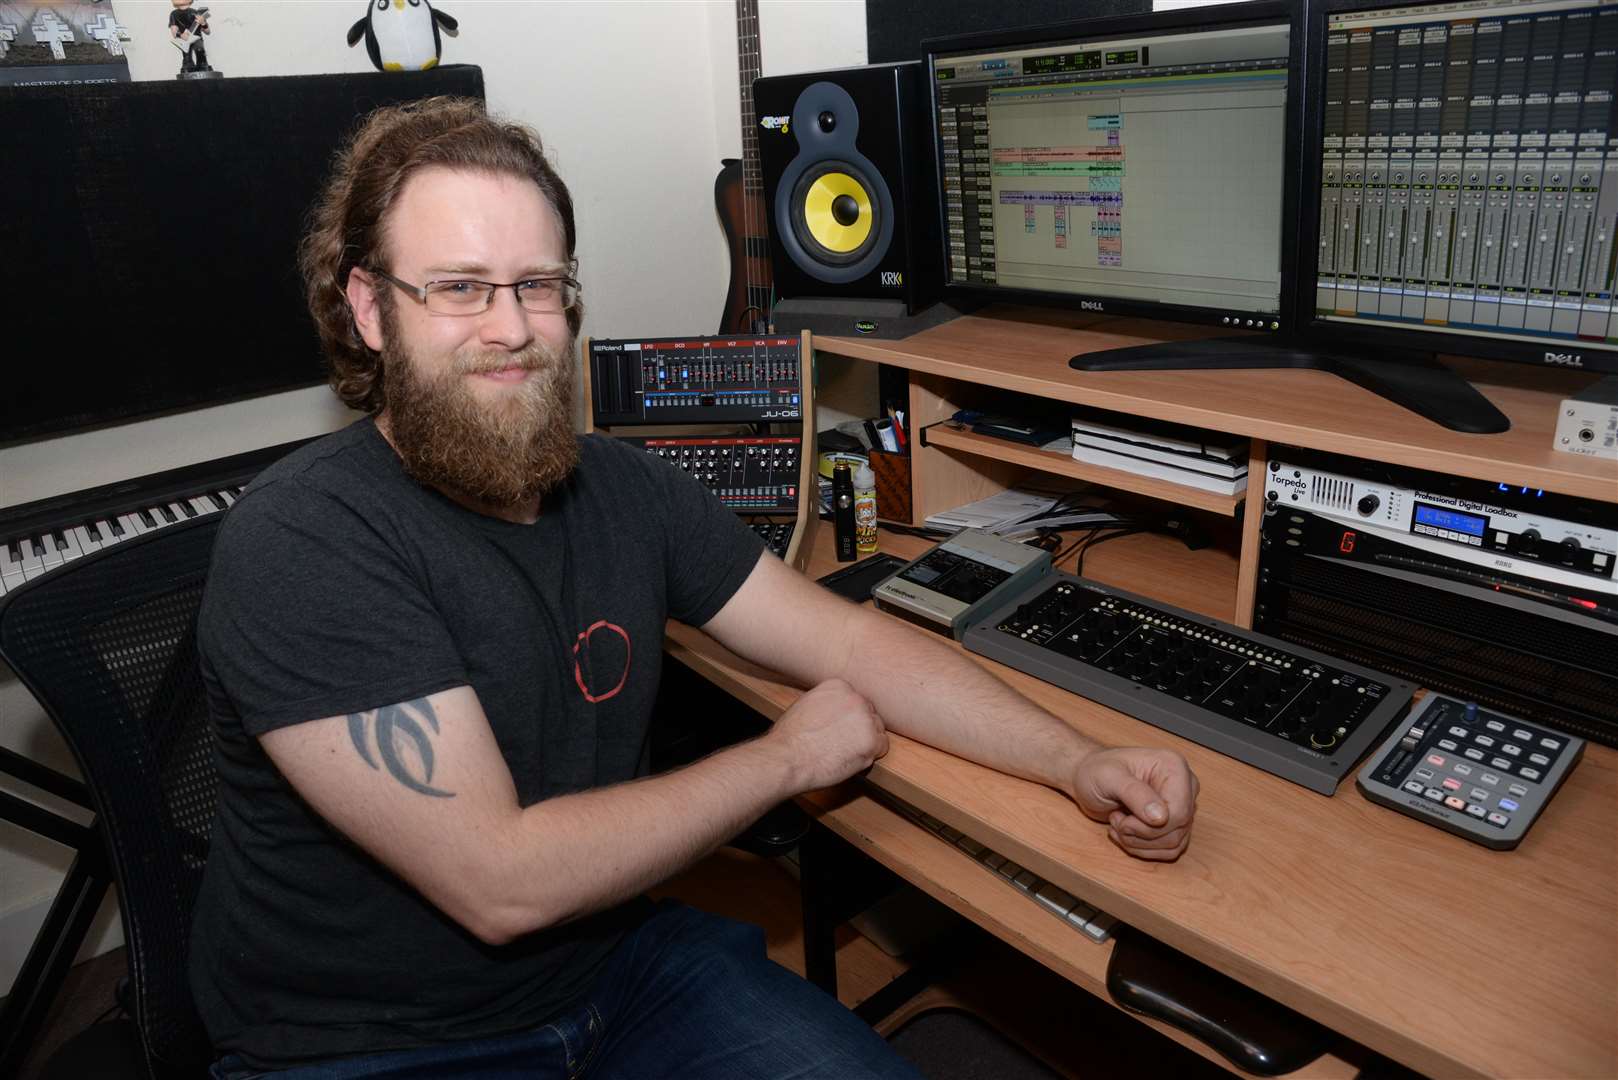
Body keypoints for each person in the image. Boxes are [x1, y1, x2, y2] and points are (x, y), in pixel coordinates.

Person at [190, 96, 1199, 1079]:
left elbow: (850, 647)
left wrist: (1074, 760)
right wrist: (786, 758)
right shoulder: (304, 538)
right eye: (458, 287)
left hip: (616, 966)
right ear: (369, 309)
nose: (509, 328)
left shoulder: (623, 488)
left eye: (536, 285)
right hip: (374, 1041)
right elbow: (501, 883)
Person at [168, 0, 211, 74]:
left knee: (200, 50)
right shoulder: (173, 14)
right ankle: (188, 66)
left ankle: (202, 65)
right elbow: (174, 31)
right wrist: (180, 35)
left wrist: (203, 23)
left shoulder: (196, 13)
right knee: (187, 56)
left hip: (197, 38)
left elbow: (207, 31)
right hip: (184, 39)